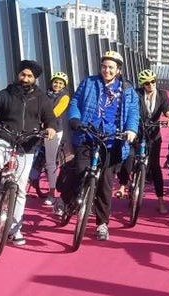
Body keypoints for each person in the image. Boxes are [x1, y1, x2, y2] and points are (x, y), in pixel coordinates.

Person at [0, 60, 58, 245]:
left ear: (35, 79)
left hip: (27, 145)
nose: (25, 78)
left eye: (29, 76)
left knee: (20, 189)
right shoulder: (5, 94)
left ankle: (15, 229)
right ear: (18, 75)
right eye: (23, 74)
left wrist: (51, 129)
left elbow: (51, 119)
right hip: (4, 138)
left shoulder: (41, 99)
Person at [65, 50, 140, 241]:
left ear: (118, 70)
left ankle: (102, 224)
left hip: (111, 140)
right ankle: (70, 200)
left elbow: (133, 112)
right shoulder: (89, 82)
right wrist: (75, 118)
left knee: (105, 184)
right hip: (87, 135)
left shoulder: (127, 89)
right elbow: (75, 102)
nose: (106, 70)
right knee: (80, 170)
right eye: (104, 66)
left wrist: (131, 130)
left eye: (111, 67)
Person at [116, 69, 169, 214]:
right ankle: (123, 185)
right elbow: (130, 109)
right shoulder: (137, 93)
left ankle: (160, 201)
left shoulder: (162, 94)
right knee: (128, 158)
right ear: (143, 84)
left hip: (153, 134)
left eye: (153, 81)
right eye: (147, 83)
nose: (151, 85)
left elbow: (166, 108)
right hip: (137, 131)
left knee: (155, 167)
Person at [40, 71, 71, 206]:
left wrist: (44, 121)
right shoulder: (43, 95)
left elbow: (56, 112)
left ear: (64, 86)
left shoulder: (65, 97)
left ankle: (52, 193)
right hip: (39, 128)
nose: (57, 85)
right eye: (55, 82)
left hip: (54, 130)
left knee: (50, 161)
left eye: (60, 83)